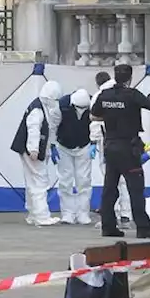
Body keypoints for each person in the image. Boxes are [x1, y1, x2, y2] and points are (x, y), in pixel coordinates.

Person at [91, 63, 150, 239]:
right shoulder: (132, 95)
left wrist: (111, 116)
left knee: (110, 188)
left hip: (110, 146)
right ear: (130, 78)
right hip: (128, 148)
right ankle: (143, 227)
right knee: (135, 189)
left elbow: (94, 114)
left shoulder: (105, 95)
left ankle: (108, 226)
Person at [10, 80, 64, 227]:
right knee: (40, 181)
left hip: (30, 149)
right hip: (32, 151)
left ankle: (33, 214)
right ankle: (42, 215)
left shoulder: (41, 106)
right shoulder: (38, 110)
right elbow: (33, 130)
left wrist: (51, 146)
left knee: (31, 182)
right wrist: (33, 149)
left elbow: (49, 128)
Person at [89, 70, 131, 229]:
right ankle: (126, 216)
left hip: (107, 141)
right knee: (125, 180)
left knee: (111, 181)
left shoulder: (101, 96)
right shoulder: (126, 93)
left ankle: (110, 216)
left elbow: (95, 120)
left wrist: (93, 142)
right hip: (126, 140)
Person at [55, 88, 94, 226]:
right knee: (65, 180)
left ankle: (83, 213)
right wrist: (52, 144)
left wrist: (94, 143)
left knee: (84, 180)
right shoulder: (61, 105)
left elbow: (97, 124)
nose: (81, 110)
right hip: (64, 147)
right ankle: (67, 213)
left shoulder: (93, 102)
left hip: (84, 146)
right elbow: (53, 125)